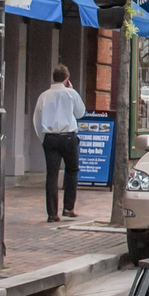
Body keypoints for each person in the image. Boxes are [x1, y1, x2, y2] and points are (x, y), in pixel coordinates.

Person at [34, 64, 87, 223]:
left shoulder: (44, 96)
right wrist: (71, 89)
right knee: (72, 170)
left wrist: (42, 139)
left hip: (50, 137)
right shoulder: (71, 93)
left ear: (53, 78)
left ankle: (52, 213)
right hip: (68, 136)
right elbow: (80, 113)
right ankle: (68, 207)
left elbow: (37, 120)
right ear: (66, 79)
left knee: (52, 174)